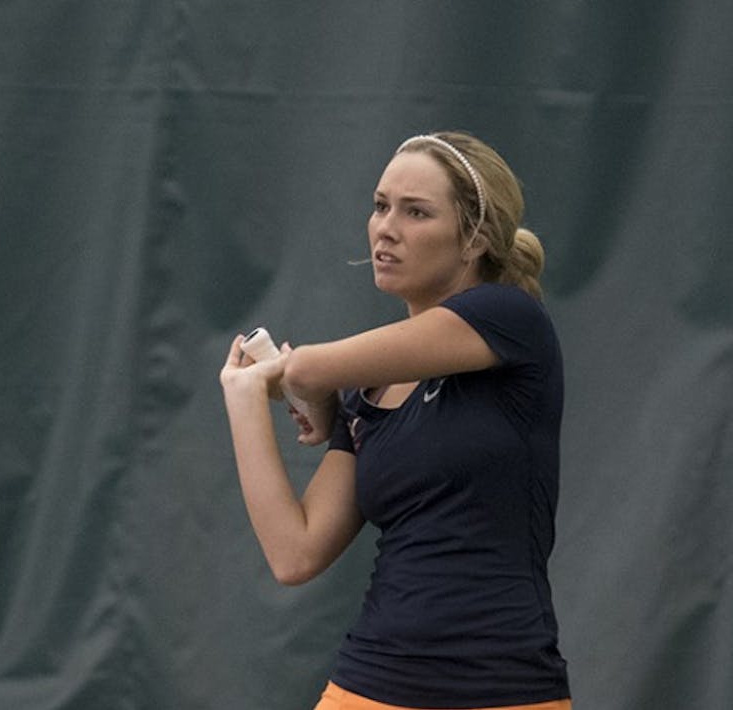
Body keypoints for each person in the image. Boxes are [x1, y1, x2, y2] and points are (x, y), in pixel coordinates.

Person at [219, 131, 572, 709]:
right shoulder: (365, 393)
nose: (386, 227)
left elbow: (306, 368)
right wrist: (243, 395)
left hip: (502, 688)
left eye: (417, 212)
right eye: (381, 205)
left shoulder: (510, 317)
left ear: (475, 239)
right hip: (369, 684)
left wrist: (292, 378)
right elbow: (295, 553)